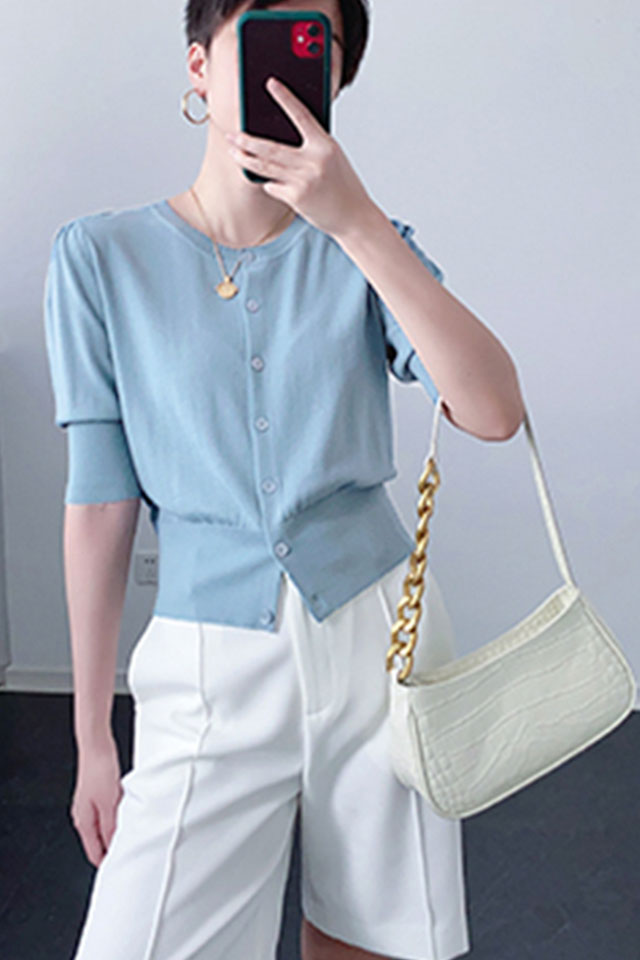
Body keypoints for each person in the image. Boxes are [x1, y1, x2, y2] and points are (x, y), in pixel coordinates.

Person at [43, 0, 525, 957]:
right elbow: (99, 504)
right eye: (262, 29)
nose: (291, 60)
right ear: (198, 66)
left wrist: (356, 223)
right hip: (207, 664)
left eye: (319, 43)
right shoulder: (99, 259)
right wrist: (93, 737)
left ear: (337, 80)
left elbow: (494, 410)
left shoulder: (367, 245)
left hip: (383, 643)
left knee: (373, 941)